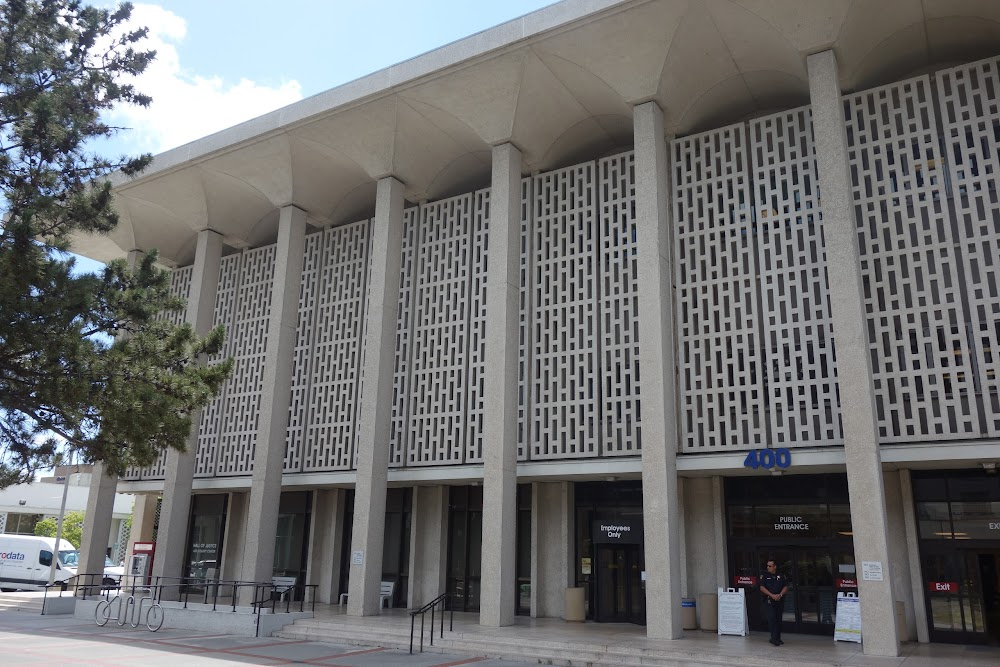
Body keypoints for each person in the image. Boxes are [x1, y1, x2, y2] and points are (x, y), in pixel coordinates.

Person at [759, 559, 789, 646]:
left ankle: (778, 638)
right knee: (772, 618)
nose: (768, 567)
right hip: (769, 600)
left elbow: (785, 586)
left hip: (779, 600)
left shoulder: (781, 575)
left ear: (775, 567)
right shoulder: (764, 575)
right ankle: (773, 638)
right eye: (767, 566)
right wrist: (772, 595)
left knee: (778, 619)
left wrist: (780, 595)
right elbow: (762, 587)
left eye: (770, 566)